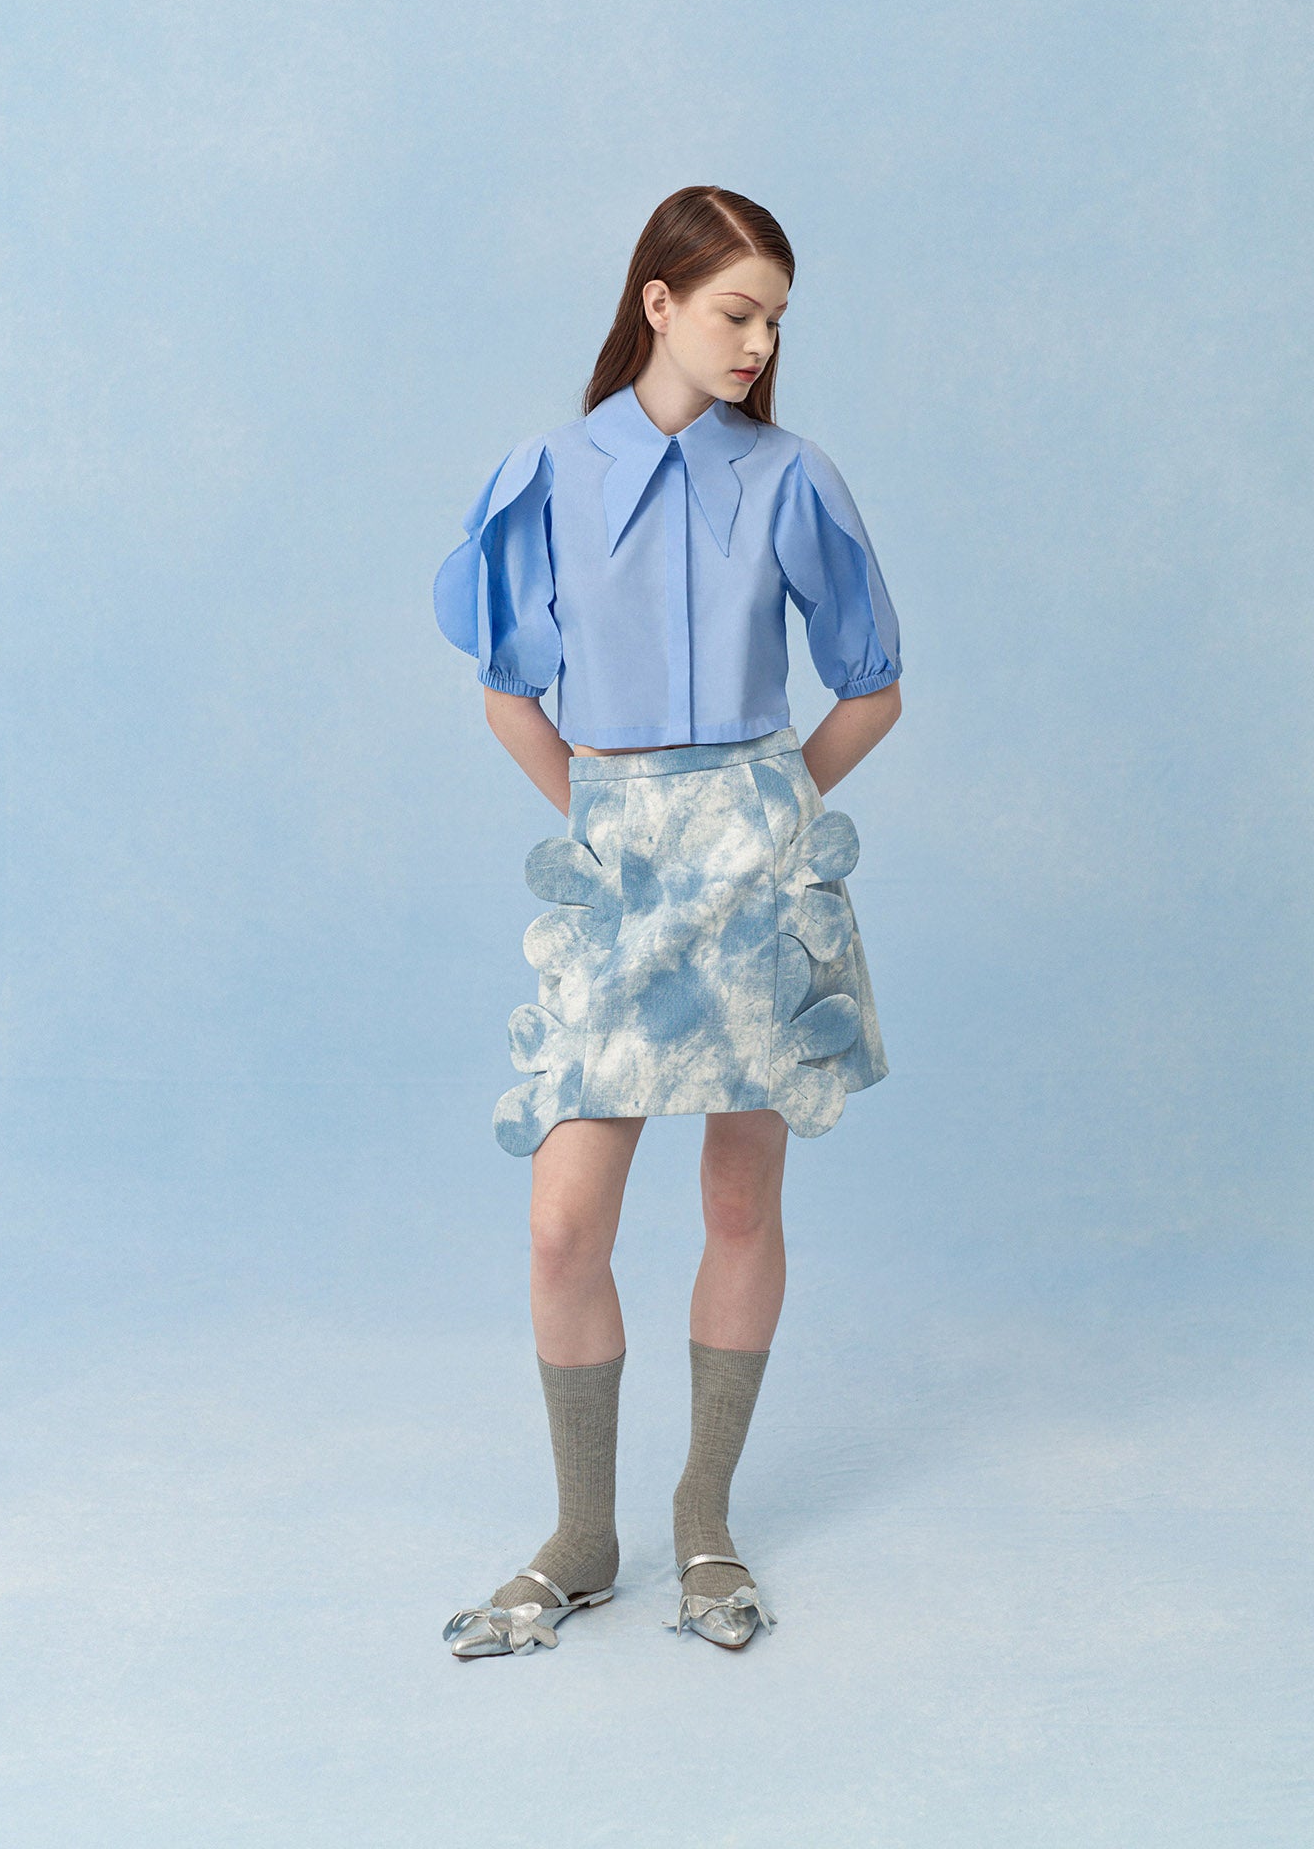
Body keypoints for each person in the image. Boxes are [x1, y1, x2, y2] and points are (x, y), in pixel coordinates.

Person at [434, 185, 903, 1657]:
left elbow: (872, 686)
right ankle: (583, 1538)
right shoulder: (549, 475)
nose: (758, 342)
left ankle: (706, 1516)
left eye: (775, 319)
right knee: (564, 1224)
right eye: (734, 311)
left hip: (759, 872)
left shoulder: (794, 478)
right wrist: (607, 822)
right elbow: (509, 693)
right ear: (657, 302)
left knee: (740, 1203)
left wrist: (772, 811)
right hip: (622, 867)